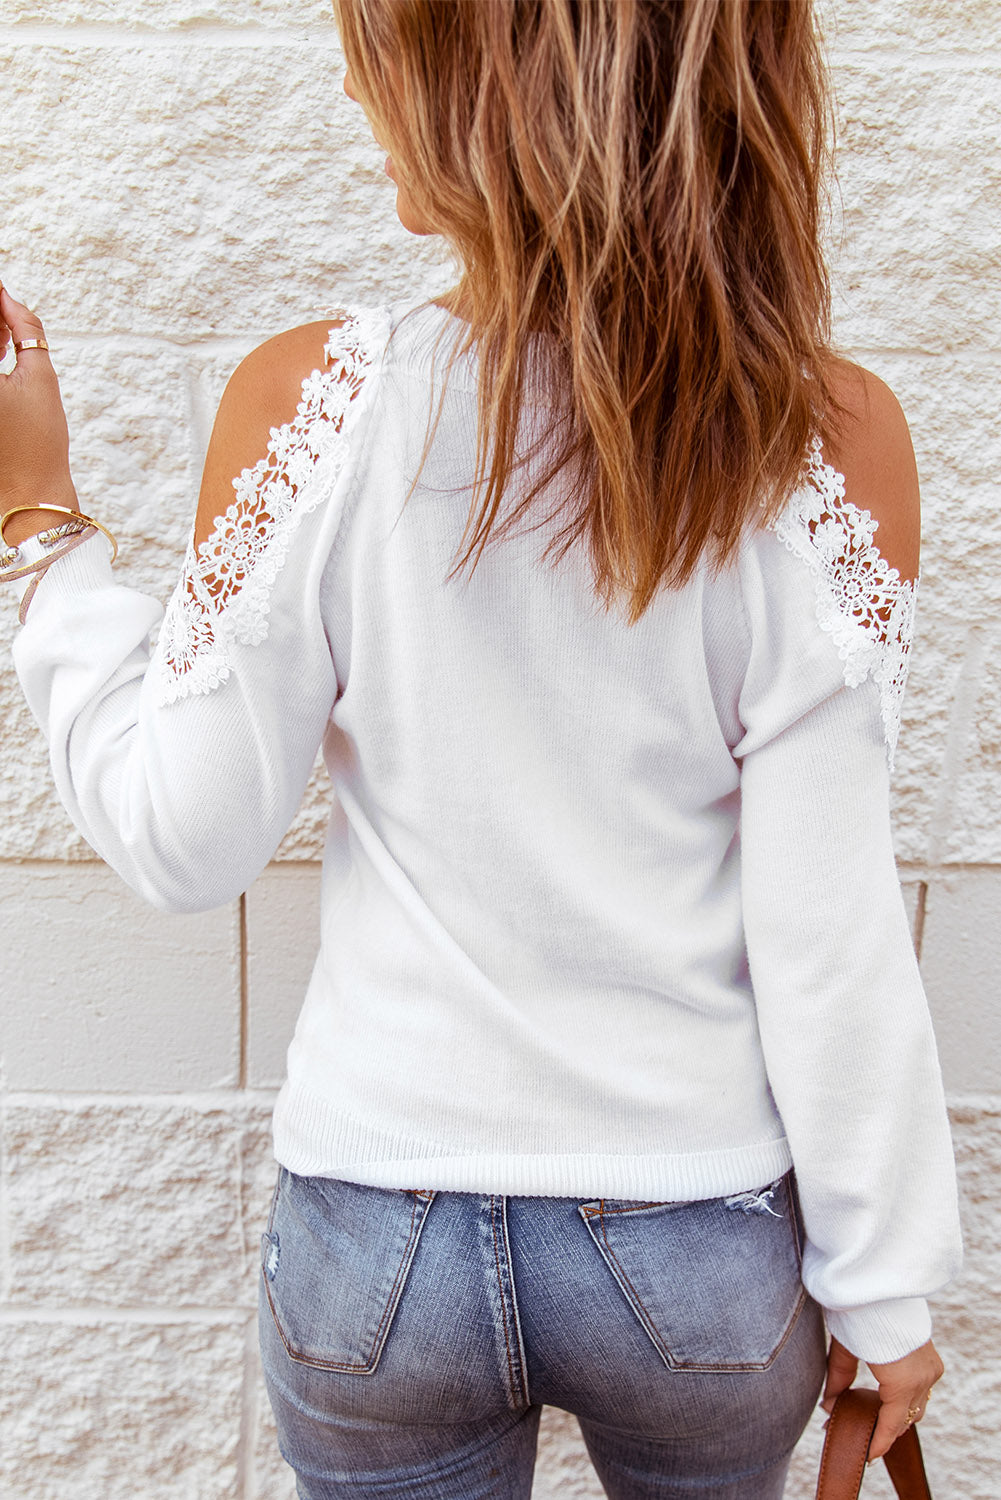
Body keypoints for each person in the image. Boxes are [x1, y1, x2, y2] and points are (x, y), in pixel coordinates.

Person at [0, 2, 962, 1496]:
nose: (348, 79)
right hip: (695, 1243)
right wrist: (884, 1288)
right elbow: (825, 933)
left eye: (382, 51)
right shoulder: (825, 439)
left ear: (487, 98)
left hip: (382, 1242)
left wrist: (39, 527)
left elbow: (180, 840)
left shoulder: (313, 407)